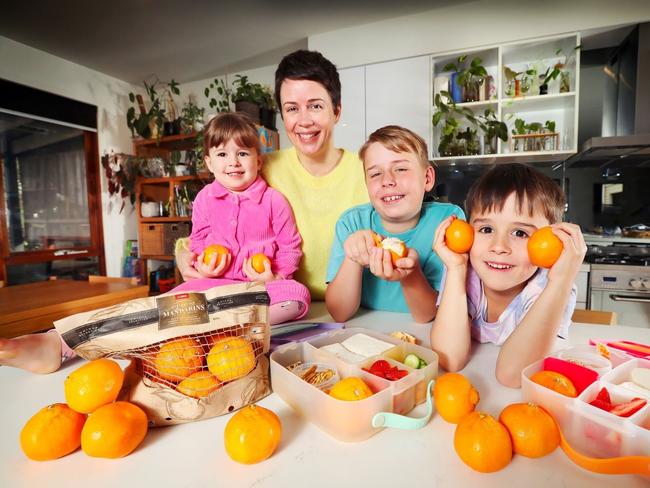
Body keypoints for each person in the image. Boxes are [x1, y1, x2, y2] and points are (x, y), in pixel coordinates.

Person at [0, 112, 310, 374]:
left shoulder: (273, 201)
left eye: (243, 153)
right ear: (209, 162)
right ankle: (59, 343)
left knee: (296, 296)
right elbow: (198, 241)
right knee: (155, 308)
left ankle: (201, 330)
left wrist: (276, 275)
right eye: (222, 154)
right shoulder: (204, 199)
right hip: (211, 289)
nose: (234, 162)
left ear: (258, 158)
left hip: (258, 290)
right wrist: (202, 264)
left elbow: (290, 245)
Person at [177, 50, 369, 300]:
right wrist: (184, 255)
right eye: (292, 109)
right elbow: (216, 215)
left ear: (337, 111)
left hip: (349, 305)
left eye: (316, 106)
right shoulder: (259, 166)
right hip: (269, 304)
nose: (303, 120)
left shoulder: (367, 171)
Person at [430, 163, 587, 388]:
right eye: (486, 229)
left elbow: (512, 376)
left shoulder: (551, 288)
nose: (499, 247)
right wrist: (455, 269)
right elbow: (449, 359)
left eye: (520, 233)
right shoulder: (462, 270)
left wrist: (561, 281)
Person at [325, 126, 464, 323]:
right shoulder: (351, 223)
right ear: (366, 183)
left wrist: (411, 274)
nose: (387, 181)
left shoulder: (448, 222)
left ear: (427, 178)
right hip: (364, 332)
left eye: (400, 169)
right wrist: (353, 258)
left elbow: (427, 314)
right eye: (375, 174)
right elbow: (339, 313)